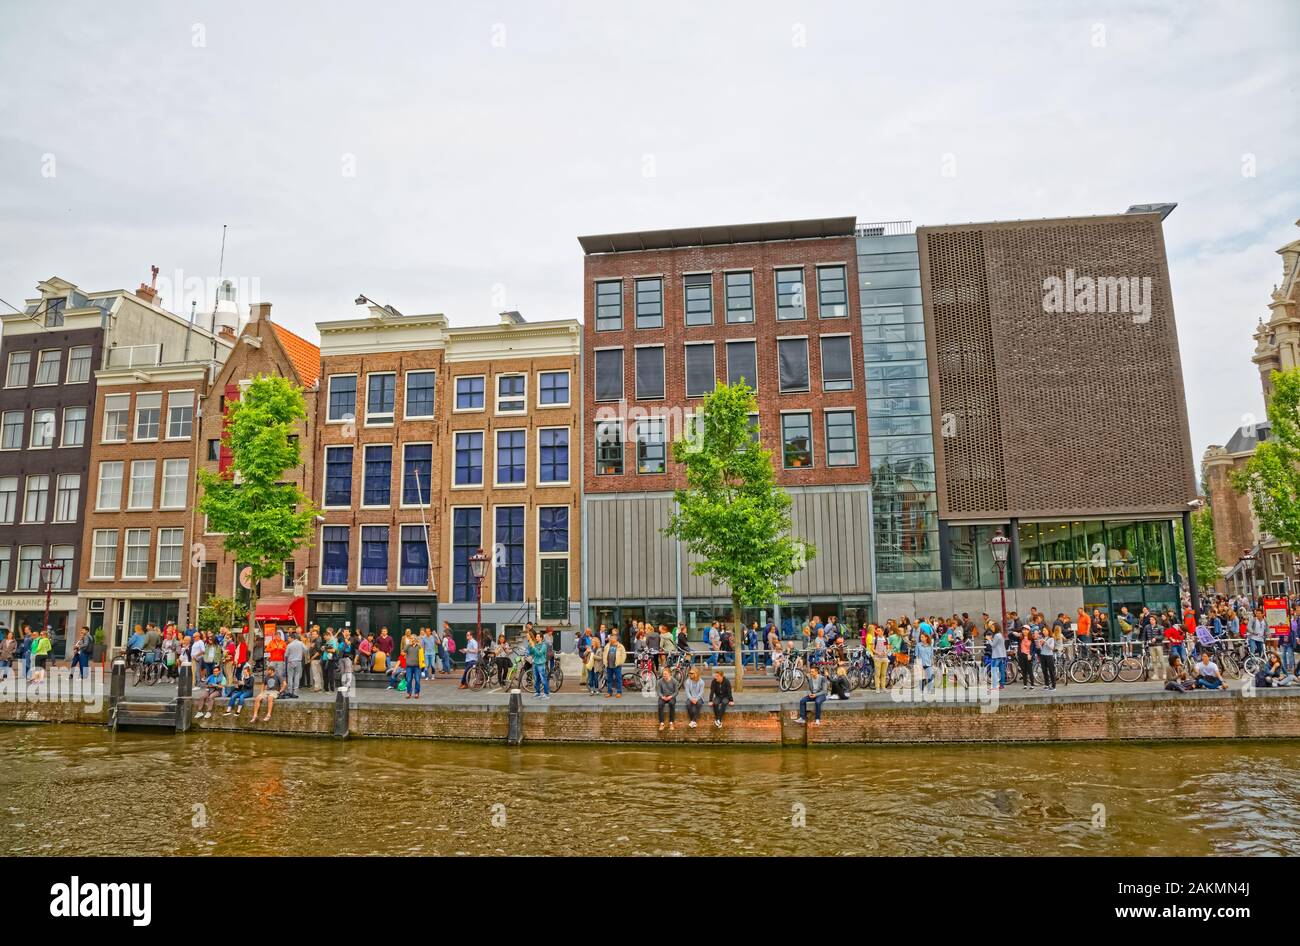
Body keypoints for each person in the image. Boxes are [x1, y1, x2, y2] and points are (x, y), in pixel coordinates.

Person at [604, 632, 627, 698]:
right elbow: (604, 654)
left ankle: (619, 692)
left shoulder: (620, 646)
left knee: (618, 679)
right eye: (610, 638)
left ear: (616, 639)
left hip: (617, 666)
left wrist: (620, 663)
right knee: (609, 680)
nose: (611, 639)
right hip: (609, 666)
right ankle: (609, 692)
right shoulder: (607, 645)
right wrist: (605, 662)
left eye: (612, 638)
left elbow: (624, 655)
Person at [529, 631, 550, 699]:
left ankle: (546, 694)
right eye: (536, 637)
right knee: (536, 679)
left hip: (541, 664)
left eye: (538, 637)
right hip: (535, 663)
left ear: (541, 638)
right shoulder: (536, 645)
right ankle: (538, 692)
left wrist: (534, 648)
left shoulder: (544, 645)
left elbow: (539, 654)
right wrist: (531, 646)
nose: (536, 638)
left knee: (543, 679)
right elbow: (531, 652)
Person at [284, 633, 305, 697]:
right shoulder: (301, 643)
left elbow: (286, 655)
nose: (288, 639)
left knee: (290, 676)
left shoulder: (289, 645)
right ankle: (295, 692)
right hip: (298, 661)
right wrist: (300, 653)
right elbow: (306, 649)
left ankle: (290, 691)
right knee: (297, 676)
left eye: (289, 638)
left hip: (291, 662)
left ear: (293, 638)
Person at [403, 631, 424, 699]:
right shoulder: (408, 646)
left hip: (417, 666)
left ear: (415, 639)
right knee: (409, 680)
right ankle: (409, 693)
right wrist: (409, 644)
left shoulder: (418, 647)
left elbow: (422, 651)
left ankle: (416, 693)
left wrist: (418, 643)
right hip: (409, 666)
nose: (411, 639)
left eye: (413, 638)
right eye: (411, 638)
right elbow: (403, 651)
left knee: (417, 680)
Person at [1039, 625, 1057, 691]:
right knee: (1044, 670)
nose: (1044, 632)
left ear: (1048, 631)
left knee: (1051, 671)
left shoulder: (1051, 638)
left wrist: (1045, 642)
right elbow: (1041, 648)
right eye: (1043, 630)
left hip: (1049, 656)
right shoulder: (1043, 638)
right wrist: (1040, 644)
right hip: (1042, 655)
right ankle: (1046, 684)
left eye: (1045, 630)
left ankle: (1053, 686)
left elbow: (1051, 648)